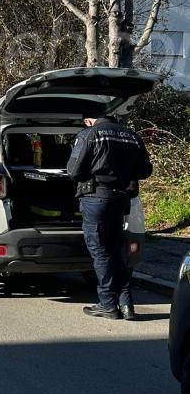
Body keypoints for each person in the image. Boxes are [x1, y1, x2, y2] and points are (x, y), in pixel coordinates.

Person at [67, 105, 153, 320]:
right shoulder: (131, 135)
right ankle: (126, 305)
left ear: (89, 120)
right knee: (115, 251)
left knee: (101, 252)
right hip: (121, 198)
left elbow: (73, 171)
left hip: (97, 198)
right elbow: (145, 170)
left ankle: (107, 304)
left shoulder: (89, 134)